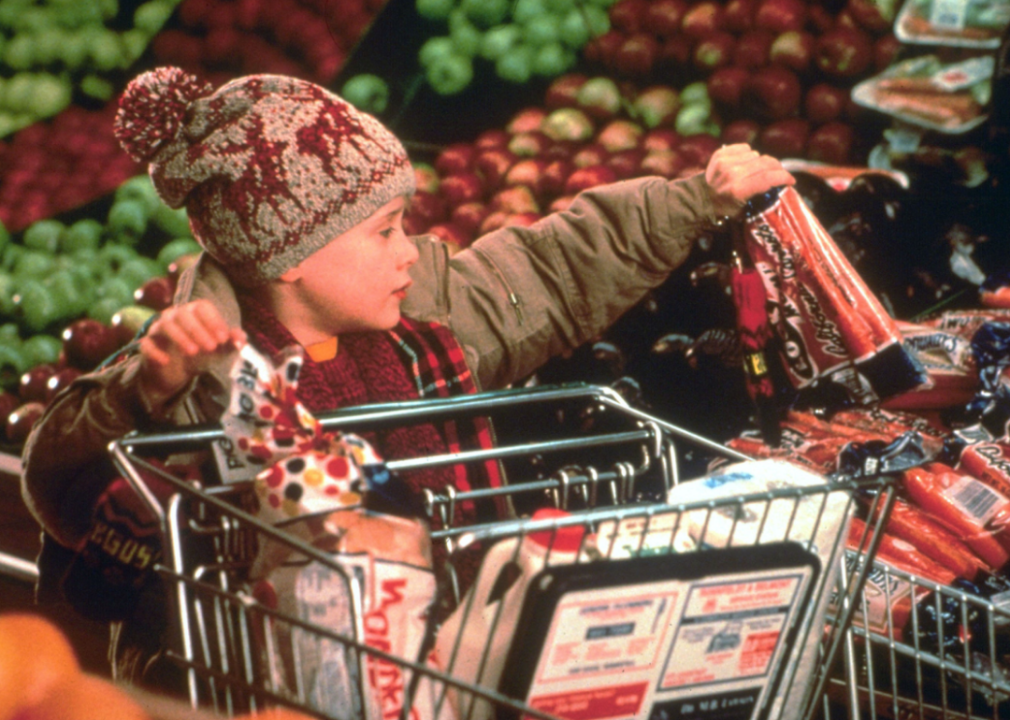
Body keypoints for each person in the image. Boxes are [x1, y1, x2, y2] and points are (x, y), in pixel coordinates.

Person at [20, 66, 794, 689]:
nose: (407, 250)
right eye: (384, 231)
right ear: (288, 254)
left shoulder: (429, 317)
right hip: (252, 685)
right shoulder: (203, 372)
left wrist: (695, 201)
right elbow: (59, 480)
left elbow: (555, 268)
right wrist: (143, 392)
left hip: (435, 664)